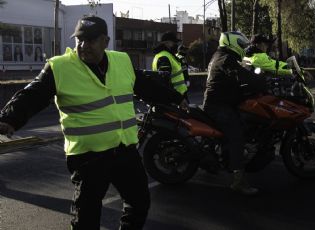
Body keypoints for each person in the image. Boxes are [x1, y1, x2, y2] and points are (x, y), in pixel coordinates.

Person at [0, 16, 187, 229]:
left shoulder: (121, 61)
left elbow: (145, 85)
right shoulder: (60, 67)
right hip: (88, 157)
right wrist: (9, 118)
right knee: (87, 216)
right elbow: (32, 95)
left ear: (105, 41)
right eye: (79, 40)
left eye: (90, 40)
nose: (83, 45)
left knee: (139, 203)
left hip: (124, 150)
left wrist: (175, 98)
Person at [202, 31, 267, 195]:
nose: (243, 48)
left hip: (222, 102)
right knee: (237, 135)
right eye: (241, 45)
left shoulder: (222, 56)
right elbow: (242, 75)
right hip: (218, 106)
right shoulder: (225, 58)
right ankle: (238, 182)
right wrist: (261, 81)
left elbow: (237, 77)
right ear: (232, 43)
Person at [152, 31, 189, 100]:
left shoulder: (168, 55)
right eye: (174, 42)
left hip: (179, 96)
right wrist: (178, 100)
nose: (176, 45)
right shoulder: (164, 57)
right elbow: (165, 83)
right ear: (167, 43)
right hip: (176, 99)